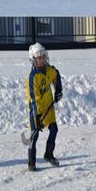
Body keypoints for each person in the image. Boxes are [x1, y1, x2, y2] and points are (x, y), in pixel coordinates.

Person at [24, 43, 62, 171]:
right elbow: (35, 100)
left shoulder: (49, 70)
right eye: (39, 58)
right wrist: (38, 116)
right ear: (33, 60)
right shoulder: (32, 78)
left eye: (43, 57)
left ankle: (49, 154)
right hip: (36, 111)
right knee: (34, 137)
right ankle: (31, 162)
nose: (42, 60)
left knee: (54, 129)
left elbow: (56, 74)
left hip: (49, 108)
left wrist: (58, 90)